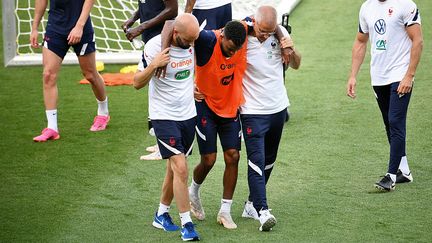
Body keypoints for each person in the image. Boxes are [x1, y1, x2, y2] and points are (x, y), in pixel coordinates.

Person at [133, 13, 200, 241]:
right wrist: (154, 65)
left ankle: (161, 214)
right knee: (181, 168)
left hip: (188, 115)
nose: (191, 45)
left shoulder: (189, 38)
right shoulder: (154, 47)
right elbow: (136, 83)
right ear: (175, 34)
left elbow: (173, 21)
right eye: (187, 40)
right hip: (164, 116)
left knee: (174, 169)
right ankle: (187, 225)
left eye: (194, 40)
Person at [346, 0, 423, 191]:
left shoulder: (406, 5)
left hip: (400, 74)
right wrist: (353, 75)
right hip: (379, 76)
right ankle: (404, 171)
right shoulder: (366, 8)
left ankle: (390, 176)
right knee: (389, 123)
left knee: (396, 121)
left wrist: (409, 75)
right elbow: (360, 41)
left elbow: (418, 40)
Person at [239, 6, 301, 232]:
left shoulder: (281, 32)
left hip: (277, 108)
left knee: (270, 160)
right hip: (252, 111)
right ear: (254, 21)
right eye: (262, 30)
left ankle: (250, 204)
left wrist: (291, 50)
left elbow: (296, 64)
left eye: (269, 31)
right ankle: (263, 211)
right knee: (256, 159)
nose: (265, 35)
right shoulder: (242, 34)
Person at [30, 0, 110, 142]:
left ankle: (103, 113)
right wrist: (34, 27)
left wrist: (79, 26)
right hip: (55, 27)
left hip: (81, 27)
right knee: (48, 75)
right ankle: (52, 128)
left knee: (90, 75)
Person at [122, 0, 178, 160]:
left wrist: (140, 27)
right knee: (156, 88)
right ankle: (163, 142)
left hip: (163, 42)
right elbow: (146, 5)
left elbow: (172, 10)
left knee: (164, 90)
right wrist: (133, 18)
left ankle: (167, 145)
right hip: (151, 42)